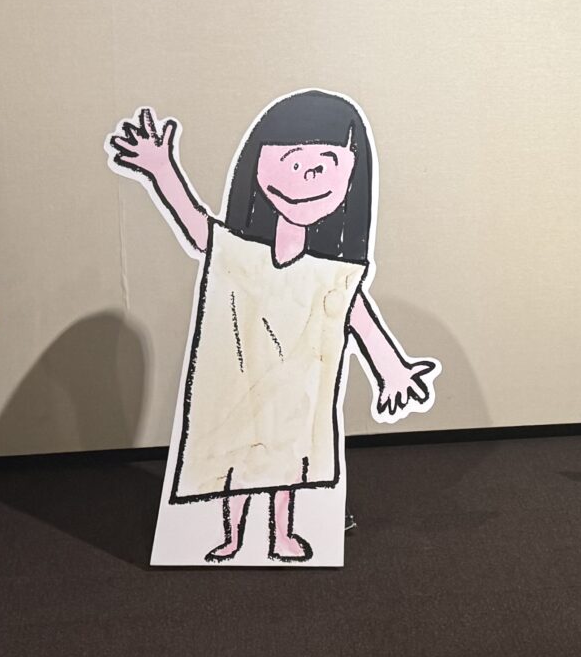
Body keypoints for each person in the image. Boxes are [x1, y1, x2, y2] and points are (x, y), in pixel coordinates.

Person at [109, 91, 435, 562]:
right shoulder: (237, 252)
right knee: (236, 458)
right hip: (240, 382)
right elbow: (198, 227)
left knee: (288, 462)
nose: (307, 175)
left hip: (296, 390)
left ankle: (282, 534)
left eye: (326, 163)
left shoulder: (333, 273)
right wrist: (161, 169)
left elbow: (356, 314)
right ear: (258, 165)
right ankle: (233, 536)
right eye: (290, 160)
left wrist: (393, 370)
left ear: (352, 177)